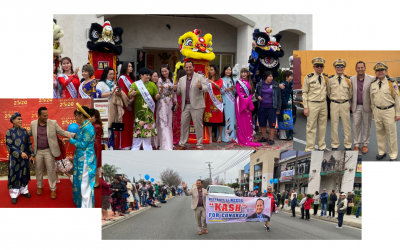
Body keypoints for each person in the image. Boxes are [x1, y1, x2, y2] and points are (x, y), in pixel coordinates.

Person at [28, 107, 73, 199]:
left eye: (47, 115)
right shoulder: (33, 124)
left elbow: (62, 132)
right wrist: (18, 134)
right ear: (39, 115)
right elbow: (28, 134)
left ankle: (53, 188)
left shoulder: (53, 123)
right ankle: (39, 186)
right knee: (38, 169)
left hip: (49, 150)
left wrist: (75, 134)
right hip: (38, 151)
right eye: (44, 115)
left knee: (51, 170)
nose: (46, 117)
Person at [65, 104, 96, 208]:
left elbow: (83, 144)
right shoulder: (84, 126)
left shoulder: (88, 128)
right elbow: (80, 137)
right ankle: (82, 201)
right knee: (81, 180)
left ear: (81, 115)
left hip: (86, 158)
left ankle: (86, 205)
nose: (75, 118)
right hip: (81, 157)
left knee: (84, 181)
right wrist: (71, 137)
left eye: (76, 115)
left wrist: (71, 140)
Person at [173, 61, 208, 150]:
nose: (188, 69)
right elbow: (179, 92)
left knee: (198, 126)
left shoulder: (200, 77)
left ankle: (199, 145)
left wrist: (200, 87)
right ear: (185, 68)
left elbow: (206, 89)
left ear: (193, 67)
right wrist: (175, 89)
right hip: (186, 106)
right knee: (183, 125)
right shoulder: (182, 79)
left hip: (197, 105)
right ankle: (183, 144)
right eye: (187, 67)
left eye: (190, 67)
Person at [370, 62, 400, 161]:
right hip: (378, 111)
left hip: (389, 111)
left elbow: (397, 98)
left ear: (385, 71)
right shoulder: (373, 84)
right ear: (375, 72)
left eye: (382, 70)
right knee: (379, 133)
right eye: (378, 71)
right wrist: (374, 111)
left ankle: (393, 155)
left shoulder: (392, 83)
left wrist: (398, 113)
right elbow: (372, 99)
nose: (380, 72)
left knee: (391, 134)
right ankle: (382, 152)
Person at [6, 112, 35, 204]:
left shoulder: (24, 131)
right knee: (15, 174)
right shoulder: (9, 132)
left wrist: (32, 155)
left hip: (25, 157)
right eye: (18, 119)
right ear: (13, 121)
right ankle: (14, 194)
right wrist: (19, 153)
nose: (20, 120)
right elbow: (9, 145)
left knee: (24, 173)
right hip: (15, 159)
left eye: (21, 119)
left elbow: (29, 143)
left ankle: (24, 190)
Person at [128, 67, 160, 150]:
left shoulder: (152, 85)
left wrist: (158, 96)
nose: (148, 77)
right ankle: (136, 147)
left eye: (149, 75)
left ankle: (147, 147)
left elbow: (156, 97)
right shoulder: (135, 84)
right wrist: (132, 94)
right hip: (138, 112)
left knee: (148, 128)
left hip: (149, 111)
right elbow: (129, 95)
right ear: (141, 75)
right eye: (146, 75)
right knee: (138, 128)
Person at [303, 57, 328, 152]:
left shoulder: (325, 77)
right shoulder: (308, 77)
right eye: (317, 66)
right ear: (313, 67)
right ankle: (310, 148)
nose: (319, 68)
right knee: (311, 127)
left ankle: (322, 146)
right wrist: (305, 107)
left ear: (323, 67)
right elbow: (304, 92)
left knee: (323, 126)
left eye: (321, 66)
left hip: (323, 104)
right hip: (312, 104)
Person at [327, 59, 353, 150]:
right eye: (337, 66)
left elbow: (350, 93)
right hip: (334, 104)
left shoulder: (348, 80)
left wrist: (346, 101)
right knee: (334, 125)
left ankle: (348, 144)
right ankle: (335, 144)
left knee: (347, 125)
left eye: (341, 67)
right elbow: (329, 93)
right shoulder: (330, 80)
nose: (339, 68)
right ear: (335, 68)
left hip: (345, 104)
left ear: (344, 68)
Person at [350, 61, 375, 154]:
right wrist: (350, 104)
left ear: (365, 68)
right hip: (356, 106)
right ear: (356, 69)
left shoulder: (372, 78)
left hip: (367, 106)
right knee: (356, 126)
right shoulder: (351, 79)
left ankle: (365, 144)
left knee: (367, 126)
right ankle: (356, 144)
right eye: (358, 67)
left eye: (362, 67)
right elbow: (349, 92)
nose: (360, 69)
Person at [236, 67, 261, 147]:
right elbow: (238, 92)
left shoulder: (250, 82)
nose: (243, 74)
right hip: (240, 102)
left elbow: (252, 93)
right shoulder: (238, 82)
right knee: (241, 119)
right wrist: (243, 98)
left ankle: (248, 136)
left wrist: (249, 98)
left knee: (248, 120)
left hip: (248, 102)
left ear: (247, 73)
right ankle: (242, 137)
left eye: (245, 72)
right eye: (242, 72)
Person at [255, 70, 282, 145]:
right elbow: (256, 93)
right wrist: (258, 96)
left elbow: (279, 97)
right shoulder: (260, 84)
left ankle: (271, 139)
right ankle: (264, 137)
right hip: (262, 107)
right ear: (265, 77)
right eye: (269, 76)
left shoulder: (276, 85)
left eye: (272, 76)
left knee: (272, 124)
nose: (271, 78)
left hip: (272, 107)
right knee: (262, 123)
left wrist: (278, 109)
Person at [156, 65, 176, 150]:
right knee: (163, 122)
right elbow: (159, 93)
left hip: (169, 102)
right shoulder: (160, 80)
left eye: (165, 71)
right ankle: (164, 144)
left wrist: (175, 102)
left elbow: (174, 92)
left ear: (168, 70)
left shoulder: (172, 79)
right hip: (162, 102)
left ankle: (170, 143)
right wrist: (161, 89)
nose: (164, 73)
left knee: (169, 122)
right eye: (162, 71)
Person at [117, 62, 135, 149]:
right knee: (125, 124)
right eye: (129, 66)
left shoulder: (133, 78)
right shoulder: (122, 78)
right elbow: (122, 92)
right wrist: (128, 103)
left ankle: (130, 143)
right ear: (125, 67)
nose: (130, 68)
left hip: (133, 103)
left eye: (131, 66)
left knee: (131, 125)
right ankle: (124, 144)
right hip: (125, 104)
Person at [204, 65, 224, 142]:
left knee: (219, 119)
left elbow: (219, 87)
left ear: (215, 71)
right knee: (210, 119)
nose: (210, 71)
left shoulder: (220, 80)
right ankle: (210, 137)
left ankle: (219, 137)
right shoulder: (207, 79)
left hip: (217, 101)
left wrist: (212, 82)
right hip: (209, 100)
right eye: (210, 70)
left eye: (212, 70)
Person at [219, 65, 237, 142]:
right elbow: (218, 91)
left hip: (232, 102)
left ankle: (232, 137)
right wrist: (225, 90)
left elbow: (236, 92)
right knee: (223, 117)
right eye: (227, 69)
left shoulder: (234, 80)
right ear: (224, 71)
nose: (228, 71)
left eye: (230, 70)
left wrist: (233, 90)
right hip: (223, 100)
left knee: (232, 117)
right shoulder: (220, 80)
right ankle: (222, 136)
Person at [88, 108, 102, 188]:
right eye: (89, 116)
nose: (89, 118)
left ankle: (97, 183)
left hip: (95, 147)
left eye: (91, 116)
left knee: (96, 166)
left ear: (96, 117)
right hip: (93, 146)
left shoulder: (96, 126)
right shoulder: (92, 125)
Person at [173, 68, 187, 145]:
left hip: (178, 104)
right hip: (185, 104)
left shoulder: (176, 83)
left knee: (177, 123)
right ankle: (182, 139)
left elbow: (174, 95)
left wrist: (175, 103)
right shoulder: (186, 83)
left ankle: (176, 139)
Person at [278, 70, 293, 139]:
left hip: (286, 104)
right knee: (283, 120)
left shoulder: (288, 84)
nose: (291, 78)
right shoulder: (284, 85)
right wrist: (285, 106)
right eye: (290, 76)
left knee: (286, 119)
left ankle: (286, 135)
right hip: (283, 105)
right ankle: (283, 136)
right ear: (286, 77)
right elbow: (282, 97)